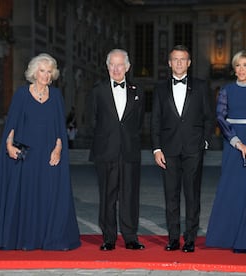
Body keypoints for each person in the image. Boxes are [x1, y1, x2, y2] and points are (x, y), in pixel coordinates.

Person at [0, 53, 81, 251]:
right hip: (28, 155)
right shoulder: (22, 94)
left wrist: (58, 150)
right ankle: (25, 239)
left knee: (48, 196)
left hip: (48, 155)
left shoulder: (56, 96)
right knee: (27, 196)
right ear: (34, 72)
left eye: (49, 72)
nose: (46, 75)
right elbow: (11, 124)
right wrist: (9, 145)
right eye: (42, 71)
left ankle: (48, 238)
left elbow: (60, 128)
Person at [205, 50, 246, 254]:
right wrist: (236, 142)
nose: (242, 69)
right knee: (228, 189)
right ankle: (222, 238)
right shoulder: (226, 90)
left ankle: (243, 242)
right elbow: (220, 117)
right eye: (238, 65)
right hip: (232, 144)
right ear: (234, 69)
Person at [151, 45, 212, 253]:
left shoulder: (202, 86)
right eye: (175, 59)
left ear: (189, 63)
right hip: (168, 150)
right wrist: (156, 148)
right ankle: (173, 238)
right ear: (169, 63)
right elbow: (155, 121)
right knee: (171, 195)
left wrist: (204, 141)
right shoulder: (159, 88)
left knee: (192, 195)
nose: (178, 63)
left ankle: (191, 238)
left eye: (182, 59)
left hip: (194, 149)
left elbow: (208, 117)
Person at [88, 49, 145, 251]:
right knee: (107, 197)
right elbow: (92, 120)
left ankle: (130, 237)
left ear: (127, 67)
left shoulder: (138, 91)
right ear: (107, 67)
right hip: (106, 151)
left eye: (120, 64)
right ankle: (109, 238)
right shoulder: (97, 90)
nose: (116, 68)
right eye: (112, 64)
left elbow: (138, 123)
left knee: (130, 196)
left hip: (129, 152)